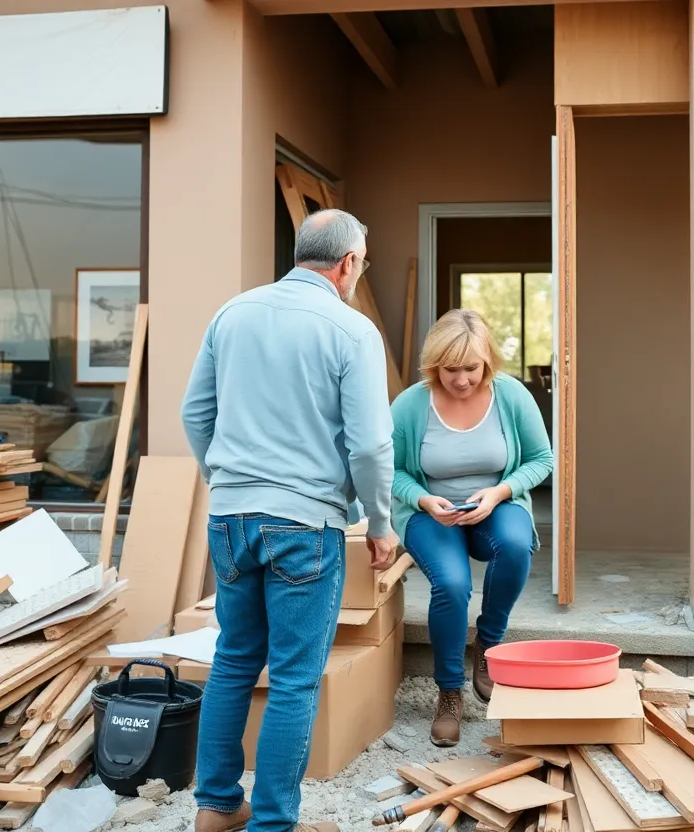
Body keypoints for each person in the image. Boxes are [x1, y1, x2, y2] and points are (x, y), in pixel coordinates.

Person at [181, 209, 399, 832]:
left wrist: (224, 481)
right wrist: (380, 522)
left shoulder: (233, 312)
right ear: (348, 263)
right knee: (297, 680)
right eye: (362, 261)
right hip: (304, 524)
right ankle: (273, 824)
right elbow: (369, 447)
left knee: (234, 660)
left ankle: (216, 809)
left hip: (230, 519)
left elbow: (195, 412)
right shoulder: (352, 331)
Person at [390, 308, 553, 747]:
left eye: (471, 368)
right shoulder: (409, 405)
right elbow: (391, 471)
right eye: (450, 369)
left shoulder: (511, 396)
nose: (461, 380)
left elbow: (542, 459)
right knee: (451, 582)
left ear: (487, 362)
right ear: (434, 365)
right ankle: (449, 693)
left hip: (493, 507)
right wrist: (423, 499)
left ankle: (488, 644)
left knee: (516, 545)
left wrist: (499, 494)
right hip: (431, 513)